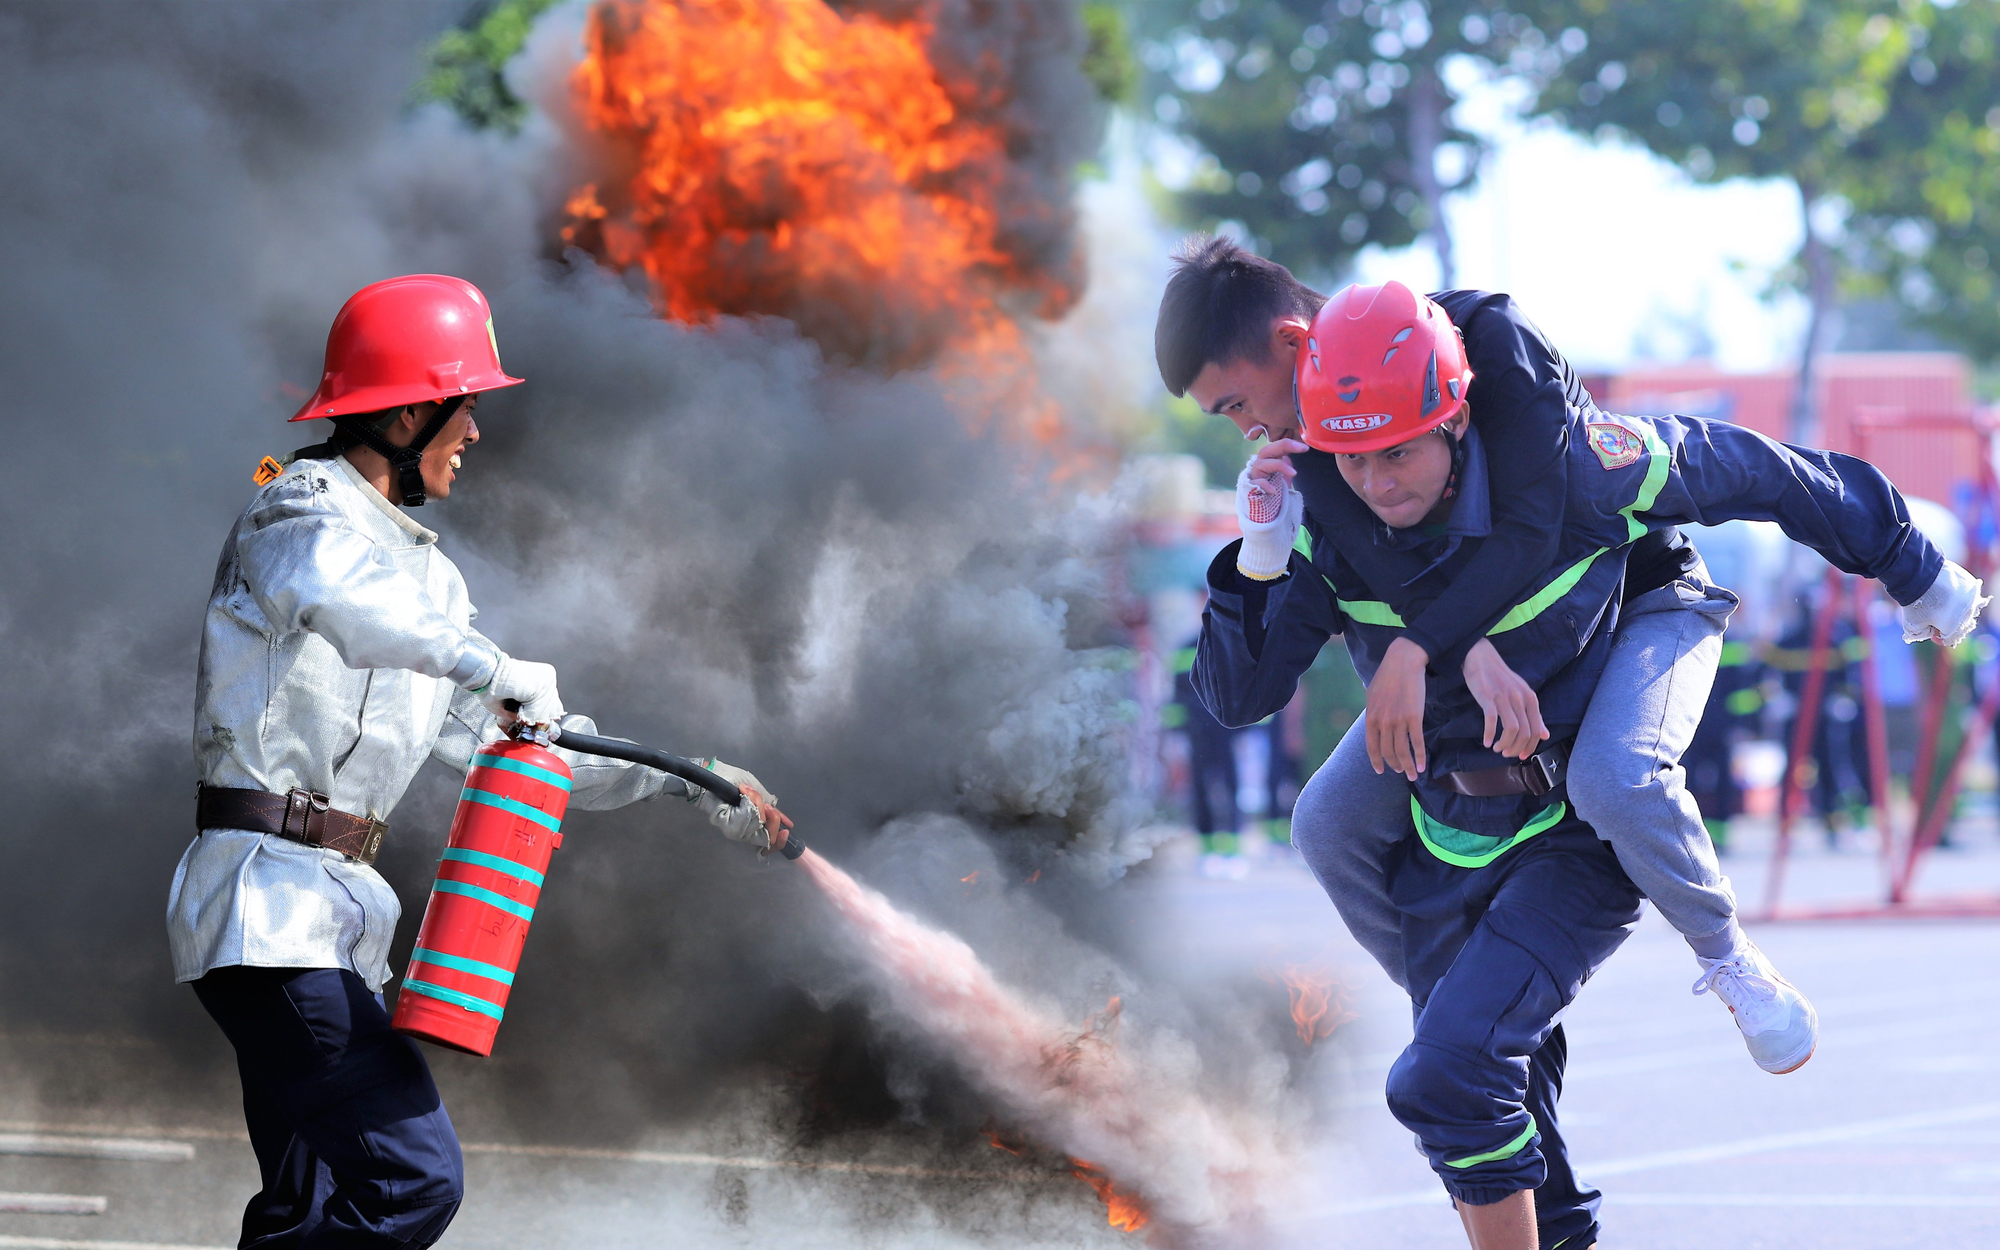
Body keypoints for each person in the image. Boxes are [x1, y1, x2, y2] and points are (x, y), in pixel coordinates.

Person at [1191, 279, 1983, 1250]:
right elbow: (1234, 694)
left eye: (1398, 449)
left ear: (1454, 419)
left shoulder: (1578, 465)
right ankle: (1471, 1035)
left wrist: (1909, 562)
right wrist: (1263, 554)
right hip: (1464, 809)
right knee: (1346, 859)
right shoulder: (1339, 507)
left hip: (1593, 780)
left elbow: (1765, 473)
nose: (1378, 488)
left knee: (1612, 785)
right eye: (1349, 460)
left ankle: (1725, 955)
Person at [166, 275, 791, 1248]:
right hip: (266, 909)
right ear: (411, 409)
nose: (476, 431)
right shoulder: (296, 511)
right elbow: (344, 601)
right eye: (466, 405)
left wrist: (688, 776)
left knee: (311, 1205)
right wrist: (490, 663)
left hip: (326, 922)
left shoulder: (428, 583)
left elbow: (518, 740)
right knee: (412, 1181)